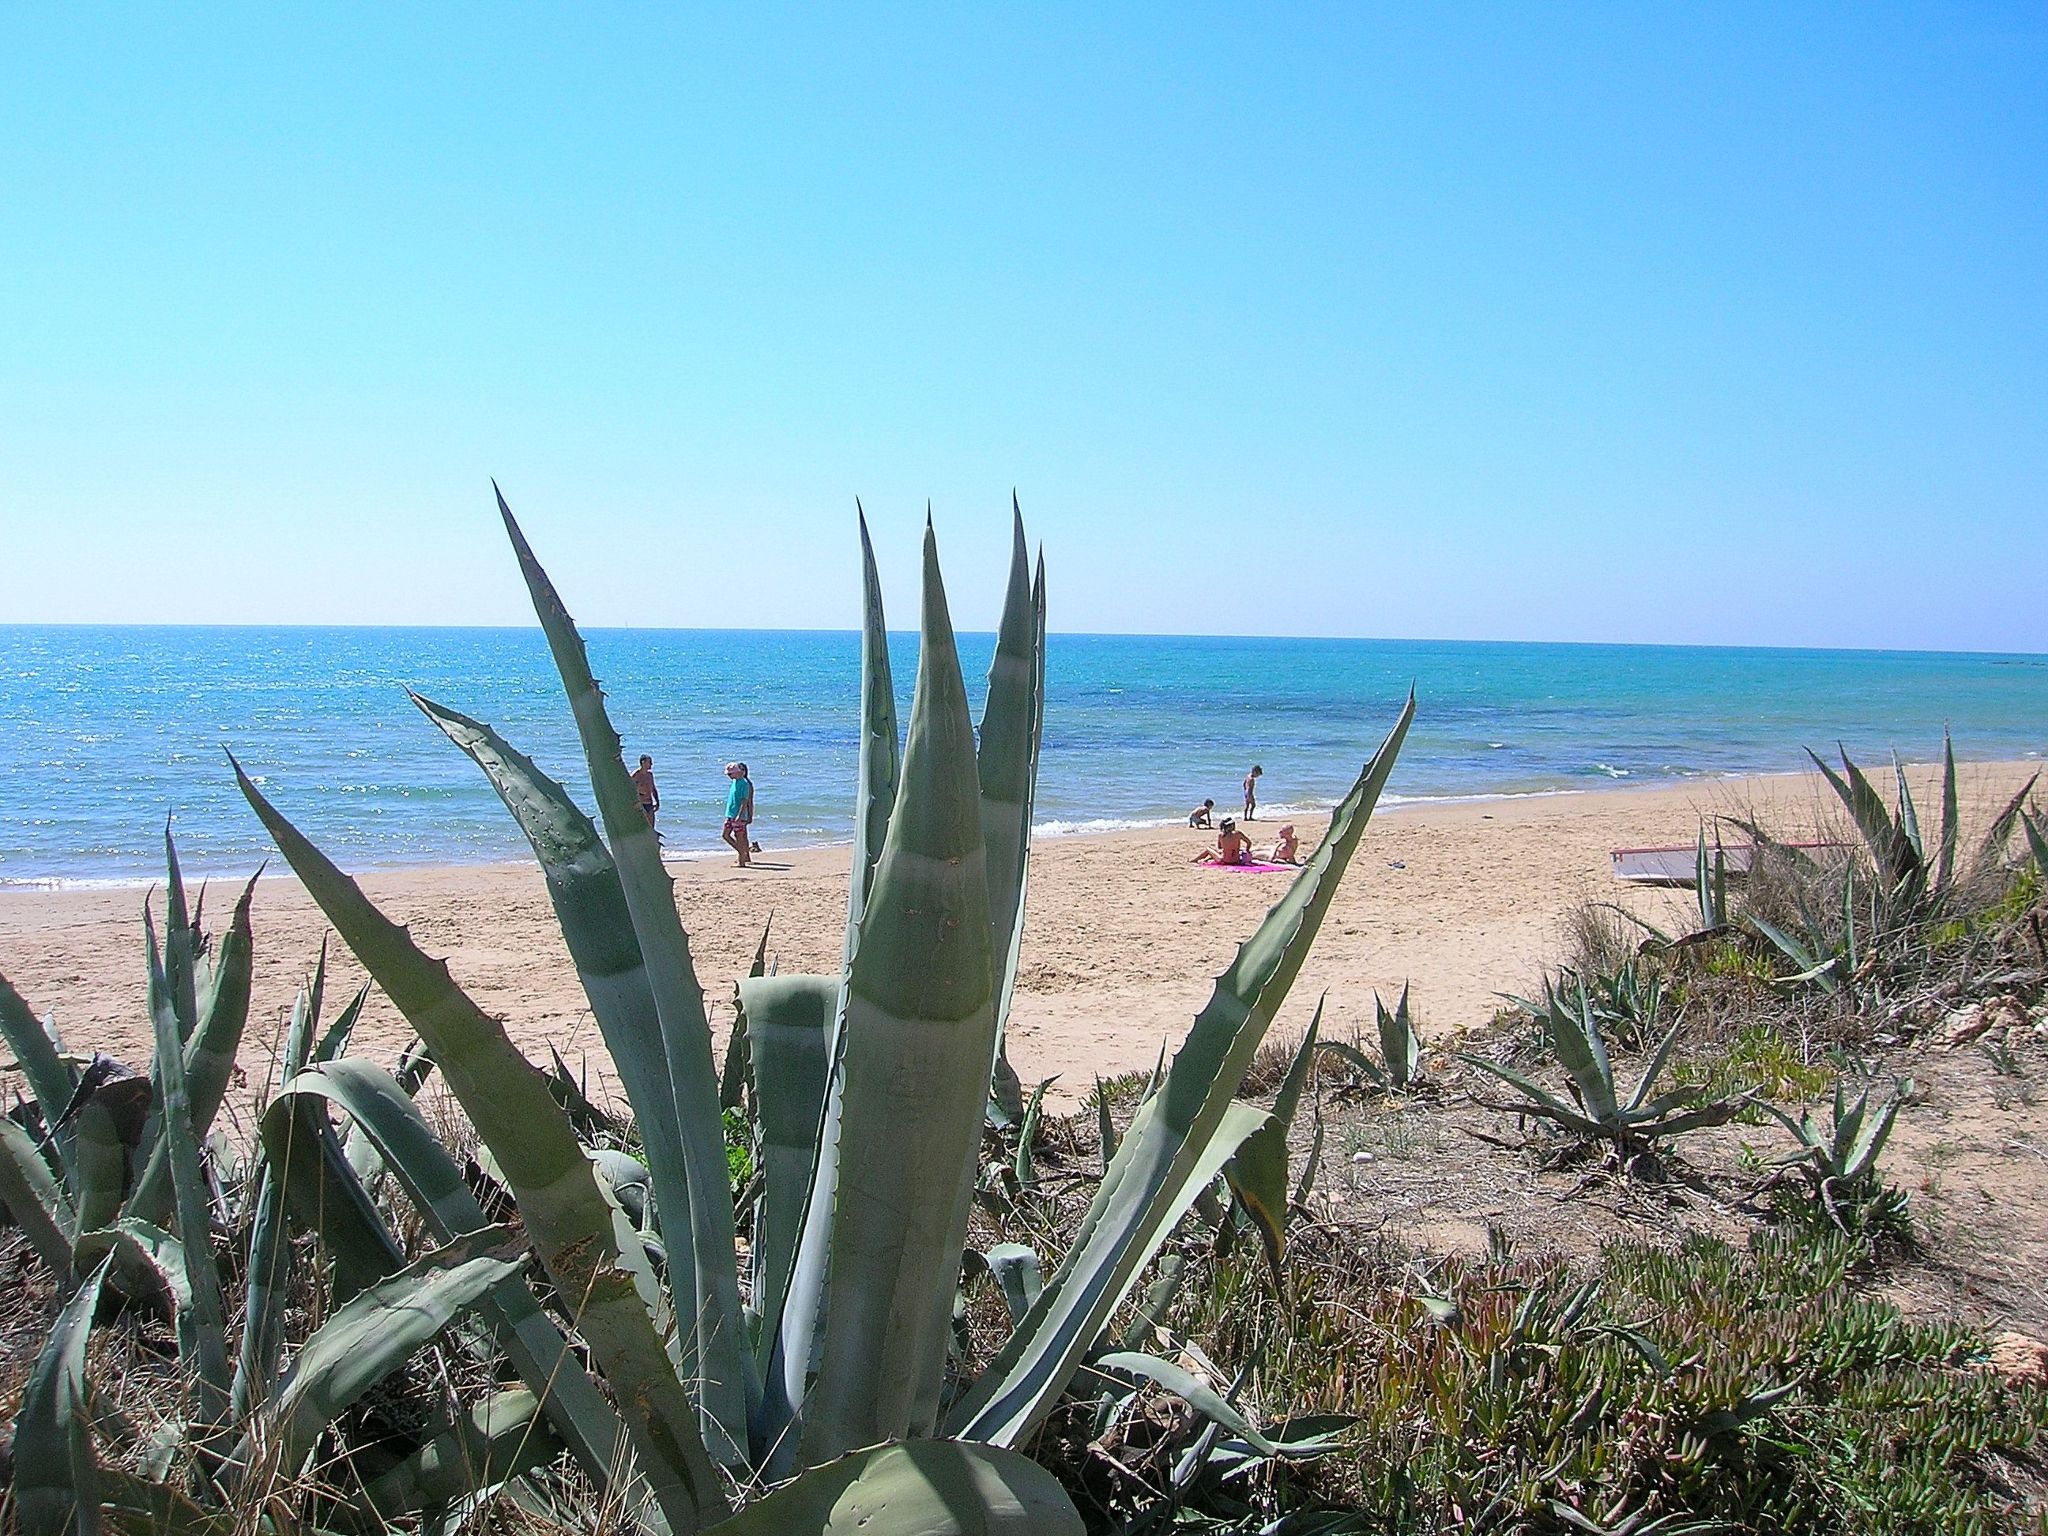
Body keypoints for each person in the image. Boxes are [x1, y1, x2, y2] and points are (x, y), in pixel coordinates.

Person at [722, 761, 754, 867]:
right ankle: (742, 852)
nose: (729, 776)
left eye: (731, 774)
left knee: (740, 837)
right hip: (730, 814)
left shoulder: (745, 783)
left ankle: (742, 861)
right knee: (725, 835)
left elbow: (745, 801)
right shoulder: (734, 782)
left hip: (739, 816)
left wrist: (741, 815)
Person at [631, 754, 660, 828]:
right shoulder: (636, 775)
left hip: (649, 803)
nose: (651, 764)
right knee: (641, 826)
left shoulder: (650, 775)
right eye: (649, 762)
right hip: (641, 804)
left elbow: (653, 789)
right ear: (643, 763)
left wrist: (657, 802)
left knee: (651, 826)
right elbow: (630, 790)